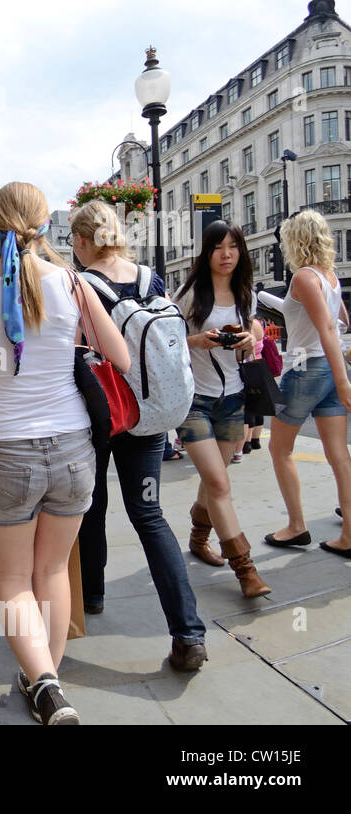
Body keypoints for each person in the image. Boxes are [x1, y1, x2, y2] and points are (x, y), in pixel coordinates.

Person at [0, 182, 128, 725]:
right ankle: (47, 681)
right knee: (52, 571)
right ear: (46, 228)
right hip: (74, 445)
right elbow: (115, 351)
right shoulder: (73, 283)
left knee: (11, 582)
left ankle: (45, 684)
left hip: (6, 449)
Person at [69, 200, 207, 671]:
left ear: (84, 240)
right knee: (149, 515)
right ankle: (188, 634)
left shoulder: (83, 284)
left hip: (102, 412)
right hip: (149, 416)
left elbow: (76, 347)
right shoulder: (151, 277)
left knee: (92, 506)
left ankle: (92, 594)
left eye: (74, 240)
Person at [173, 220, 271, 597]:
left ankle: (199, 538)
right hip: (194, 401)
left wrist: (252, 336)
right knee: (219, 482)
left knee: (214, 481)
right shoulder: (189, 294)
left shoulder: (246, 293)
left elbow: (254, 333)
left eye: (233, 247)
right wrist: (198, 340)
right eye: (218, 247)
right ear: (207, 252)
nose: (227, 254)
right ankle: (245, 570)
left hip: (233, 399)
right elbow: (167, 341)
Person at [264, 210, 351, 557]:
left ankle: (296, 527)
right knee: (339, 454)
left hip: (304, 369)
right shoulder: (330, 277)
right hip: (329, 370)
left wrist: (345, 383)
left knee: (279, 449)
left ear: (294, 240)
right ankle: (348, 536)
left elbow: (328, 328)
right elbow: (341, 319)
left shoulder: (302, 277)